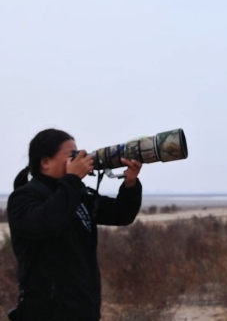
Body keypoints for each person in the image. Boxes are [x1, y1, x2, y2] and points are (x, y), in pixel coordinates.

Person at [7, 128, 143, 321]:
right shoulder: (23, 198)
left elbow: (121, 215)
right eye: (72, 155)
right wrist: (72, 180)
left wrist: (130, 185)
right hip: (45, 312)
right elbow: (47, 222)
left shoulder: (78, 194)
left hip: (83, 308)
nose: (79, 159)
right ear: (45, 162)